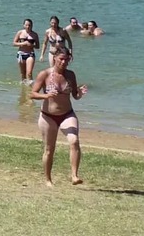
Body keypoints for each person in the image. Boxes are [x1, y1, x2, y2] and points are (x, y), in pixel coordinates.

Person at [30, 47, 87, 186]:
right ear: (55, 58)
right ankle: (48, 180)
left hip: (67, 114)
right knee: (49, 149)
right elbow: (32, 94)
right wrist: (46, 95)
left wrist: (79, 93)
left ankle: (74, 176)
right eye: (61, 59)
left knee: (74, 140)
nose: (64, 62)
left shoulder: (70, 75)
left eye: (67, 59)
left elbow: (74, 95)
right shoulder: (45, 74)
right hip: (48, 116)